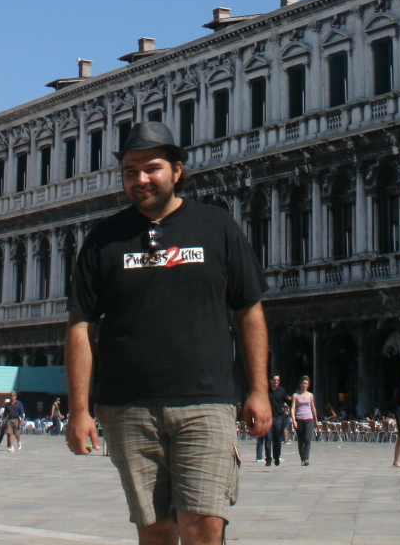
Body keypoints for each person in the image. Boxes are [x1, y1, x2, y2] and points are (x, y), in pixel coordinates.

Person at [64, 120, 269, 545]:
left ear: (177, 170)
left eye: (151, 168)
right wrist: (79, 409)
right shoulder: (103, 239)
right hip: (127, 405)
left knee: (204, 523)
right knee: (155, 530)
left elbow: (249, 310)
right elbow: (81, 325)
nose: (140, 179)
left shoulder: (217, 227)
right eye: (130, 171)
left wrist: (259, 390)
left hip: (206, 400)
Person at [288, 377, 317, 466]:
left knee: (307, 439)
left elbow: (313, 407)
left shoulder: (310, 395)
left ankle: (306, 458)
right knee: (301, 440)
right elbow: (293, 408)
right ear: (300, 384)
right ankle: (302, 459)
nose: (304, 385)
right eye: (303, 383)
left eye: (306, 384)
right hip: (299, 419)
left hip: (309, 418)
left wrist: (316, 419)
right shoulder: (295, 395)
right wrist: (293, 420)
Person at [260, 373, 288, 466]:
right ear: (270, 381)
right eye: (274, 380)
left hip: (278, 417)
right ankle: (268, 459)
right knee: (268, 439)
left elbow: (288, 401)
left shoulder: (282, 391)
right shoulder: (266, 391)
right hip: (267, 417)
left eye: (277, 380)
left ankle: (276, 457)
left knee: (277, 439)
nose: (276, 382)